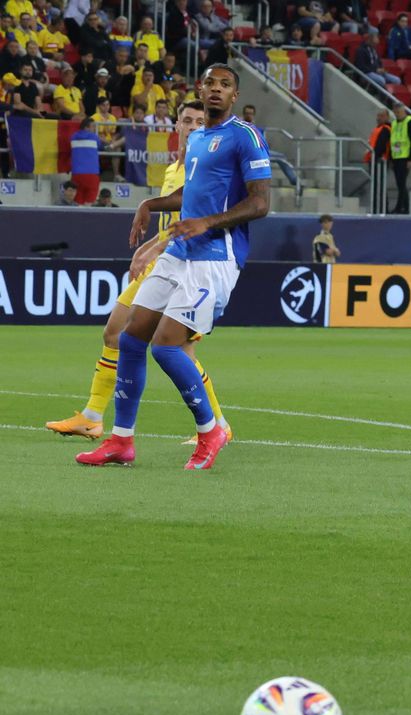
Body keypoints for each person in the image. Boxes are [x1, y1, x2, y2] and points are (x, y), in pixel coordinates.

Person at [76, 65, 271, 470]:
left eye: (225, 85)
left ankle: (211, 431)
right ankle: (121, 441)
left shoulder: (246, 136)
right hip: (179, 252)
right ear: (200, 88)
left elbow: (260, 203)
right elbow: (191, 193)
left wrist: (206, 223)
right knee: (131, 338)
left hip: (215, 258)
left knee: (166, 347)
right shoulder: (198, 138)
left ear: (234, 96)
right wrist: (150, 204)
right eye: (210, 83)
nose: (216, 89)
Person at [47, 102, 231, 445]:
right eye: (187, 120)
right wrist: (150, 247)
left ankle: (218, 424)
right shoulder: (174, 168)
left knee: (182, 351)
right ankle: (92, 417)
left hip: (191, 267)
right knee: (114, 333)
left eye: (199, 121)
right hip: (162, 263)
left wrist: (152, 249)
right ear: (176, 125)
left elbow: (194, 223)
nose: (192, 126)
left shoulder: (205, 168)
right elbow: (171, 222)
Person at [389, 102, 411, 214]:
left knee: (401, 183)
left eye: (399, 112)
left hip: (405, 157)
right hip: (396, 156)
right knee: (400, 183)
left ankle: (400, 207)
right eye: (395, 112)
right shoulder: (394, 123)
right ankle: (405, 207)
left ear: (404, 111)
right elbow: (392, 141)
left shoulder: (409, 122)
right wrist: (391, 158)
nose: (397, 114)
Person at [69, 117, 102, 205]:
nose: (94, 129)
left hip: (76, 174)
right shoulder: (94, 137)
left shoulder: (73, 137)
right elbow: (100, 145)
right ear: (86, 127)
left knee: (77, 203)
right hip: (92, 174)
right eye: (93, 126)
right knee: (89, 204)